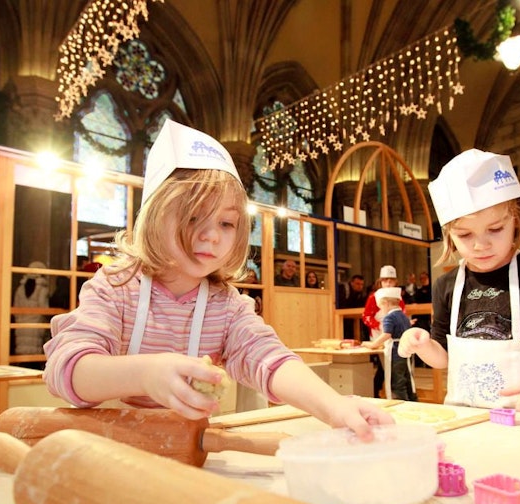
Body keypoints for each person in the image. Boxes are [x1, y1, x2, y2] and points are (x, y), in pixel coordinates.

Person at [43, 119, 391, 439]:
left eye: (226, 223)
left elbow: (269, 359)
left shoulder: (227, 306)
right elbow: (67, 369)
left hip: (187, 450)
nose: (212, 236)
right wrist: (146, 374)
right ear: (153, 216)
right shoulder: (116, 288)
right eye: (194, 217)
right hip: (106, 453)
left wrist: (333, 406)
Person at [400, 149, 520, 413]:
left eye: (495, 229)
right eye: (465, 235)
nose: (481, 245)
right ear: (449, 234)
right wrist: (423, 345)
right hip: (464, 419)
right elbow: (444, 358)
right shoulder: (447, 285)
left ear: (516, 219)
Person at [362, 287, 417, 401]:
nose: (381, 310)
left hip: (395, 353)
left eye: (381, 307)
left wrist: (373, 344)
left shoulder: (389, 317)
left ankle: (403, 407)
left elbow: (386, 334)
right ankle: (413, 402)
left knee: (397, 383)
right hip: (406, 351)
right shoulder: (403, 316)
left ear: (386, 304)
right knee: (407, 380)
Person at [363, 265, 406, 397]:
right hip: (378, 335)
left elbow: (402, 312)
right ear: (380, 281)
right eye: (385, 280)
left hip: (394, 338)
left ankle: (377, 392)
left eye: (391, 280)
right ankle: (376, 392)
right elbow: (366, 316)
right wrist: (378, 325)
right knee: (384, 366)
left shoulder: (399, 298)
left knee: (388, 367)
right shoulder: (373, 297)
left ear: (396, 282)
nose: (388, 283)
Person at [13, 260, 50, 355]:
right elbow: (44, 309)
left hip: (21, 325)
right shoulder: (42, 289)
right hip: (36, 326)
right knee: (34, 357)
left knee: (22, 357)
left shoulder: (20, 289)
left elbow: (15, 308)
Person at [338, 273, 367, 340]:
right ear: (352, 283)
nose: (360, 286)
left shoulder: (361, 294)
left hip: (353, 320)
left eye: (362, 284)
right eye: (357, 284)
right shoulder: (343, 289)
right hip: (343, 320)